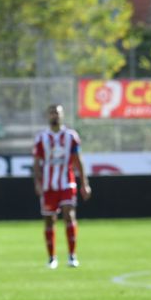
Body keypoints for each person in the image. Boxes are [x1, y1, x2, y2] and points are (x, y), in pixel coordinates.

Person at [33, 103, 91, 268]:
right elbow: (36, 163)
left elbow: (78, 160)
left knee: (69, 215)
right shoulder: (41, 138)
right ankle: (52, 258)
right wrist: (37, 182)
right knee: (49, 220)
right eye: (52, 113)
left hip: (67, 182)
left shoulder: (71, 136)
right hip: (48, 184)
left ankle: (72, 255)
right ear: (48, 116)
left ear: (62, 115)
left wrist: (84, 183)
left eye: (57, 113)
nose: (54, 116)